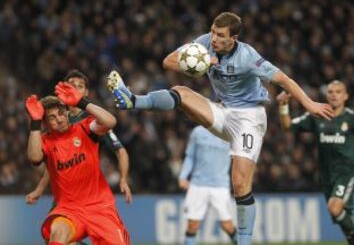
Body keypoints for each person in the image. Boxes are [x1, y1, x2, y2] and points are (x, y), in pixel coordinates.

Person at [106, 12, 334, 244]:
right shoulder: (205, 43)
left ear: (233, 38)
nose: (214, 38)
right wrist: (201, 61)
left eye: (220, 35)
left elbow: (283, 79)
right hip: (223, 111)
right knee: (182, 92)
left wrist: (309, 103)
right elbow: (168, 61)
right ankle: (132, 101)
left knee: (239, 183)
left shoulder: (247, 56)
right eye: (213, 32)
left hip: (249, 118)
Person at [25, 82, 130, 245]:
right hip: (69, 209)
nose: (59, 119)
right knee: (57, 233)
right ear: (45, 124)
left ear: (67, 113)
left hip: (100, 207)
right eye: (52, 117)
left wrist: (82, 102)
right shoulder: (46, 141)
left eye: (61, 113)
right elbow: (34, 158)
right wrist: (35, 124)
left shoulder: (85, 128)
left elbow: (110, 122)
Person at [26, 70, 132, 206]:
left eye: (80, 86)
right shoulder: (57, 120)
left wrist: (123, 179)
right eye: (71, 85)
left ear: (86, 92)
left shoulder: (93, 121)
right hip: (65, 194)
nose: (75, 88)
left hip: (88, 192)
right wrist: (39, 190)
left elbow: (120, 150)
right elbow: (53, 159)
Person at [276, 80, 354, 245]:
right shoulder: (316, 116)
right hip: (326, 174)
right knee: (341, 216)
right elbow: (287, 126)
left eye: (338, 92)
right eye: (330, 92)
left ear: (345, 96)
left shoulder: (353, 118)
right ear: (326, 95)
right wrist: (283, 105)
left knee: (334, 208)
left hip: (347, 172)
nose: (333, 95)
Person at [179, 126, 236, 245]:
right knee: (192, 225)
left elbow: (238, 158)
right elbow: (190, 156)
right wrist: (183, 176)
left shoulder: (229, 132)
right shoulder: (198, 132)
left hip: (220, 186)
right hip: (198, 185)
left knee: (228, 226)